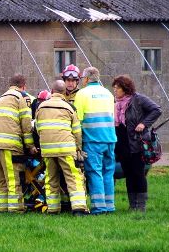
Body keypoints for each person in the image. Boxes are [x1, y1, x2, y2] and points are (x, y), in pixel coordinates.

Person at [35, 80, 88, 215]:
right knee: (73, 177)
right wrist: (78, 149)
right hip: (66, 149)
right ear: (64, 93)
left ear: (52, 92)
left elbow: (37, 128)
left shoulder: (41, 107)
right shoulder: (69, 107)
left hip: (47, 149)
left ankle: (53, 209)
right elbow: (76, 131)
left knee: (51, 178)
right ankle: (79, 208)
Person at [112, 75, 162, 212]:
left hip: (137, 144)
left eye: (117, 88)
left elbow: (157, 110)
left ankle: (141, 206)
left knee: (138, 173)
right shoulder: (116, 104)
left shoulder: (138, 99)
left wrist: (144, 124)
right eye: (114, 88)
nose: (115, 90)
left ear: (125, 88)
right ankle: (132, 204)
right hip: (123, 145)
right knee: (128, 174)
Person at [0, 74, 37, 212]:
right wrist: (30, 146)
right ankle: (15, 210)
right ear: (23, 86)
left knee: (2, 179)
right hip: (9, 144)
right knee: (13, 179)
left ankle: (3, 208)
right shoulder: (22, 97)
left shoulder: (1, 98)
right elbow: (26, 125)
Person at [75, 67, 116, 214]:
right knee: (108, 172)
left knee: (94, 172)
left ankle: (99, 207)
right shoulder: (108, 93)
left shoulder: (82, 94)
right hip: (110, 139)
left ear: (86, 79)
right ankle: (110, 206)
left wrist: (77, 144)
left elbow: (77, 121)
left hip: (93, 140)